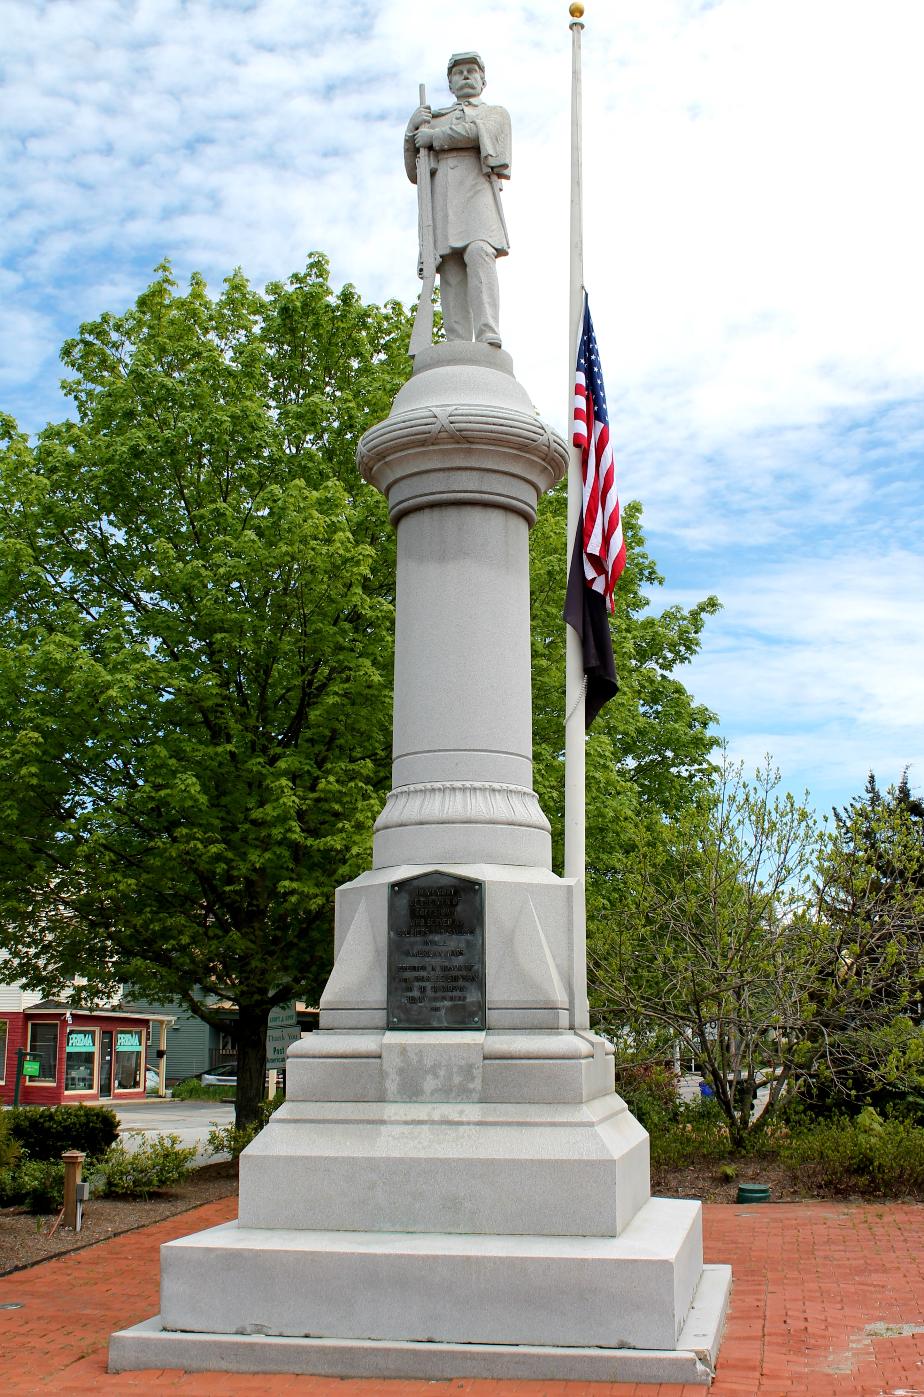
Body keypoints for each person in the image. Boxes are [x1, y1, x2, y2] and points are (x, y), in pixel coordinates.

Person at [405, 52, 511, 347]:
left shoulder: (494, 113)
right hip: (444, 202)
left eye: (472, 71)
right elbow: (415, 172)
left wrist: (434, 138)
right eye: (459, 72)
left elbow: (482, 133)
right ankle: (458, 341)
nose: (466, 76)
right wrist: (411, 131)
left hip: (477, 197)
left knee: (479, 253)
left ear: (482, 80)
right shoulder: (433, 120)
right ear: (450, 83)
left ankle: (488, 329)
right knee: (450, 268)